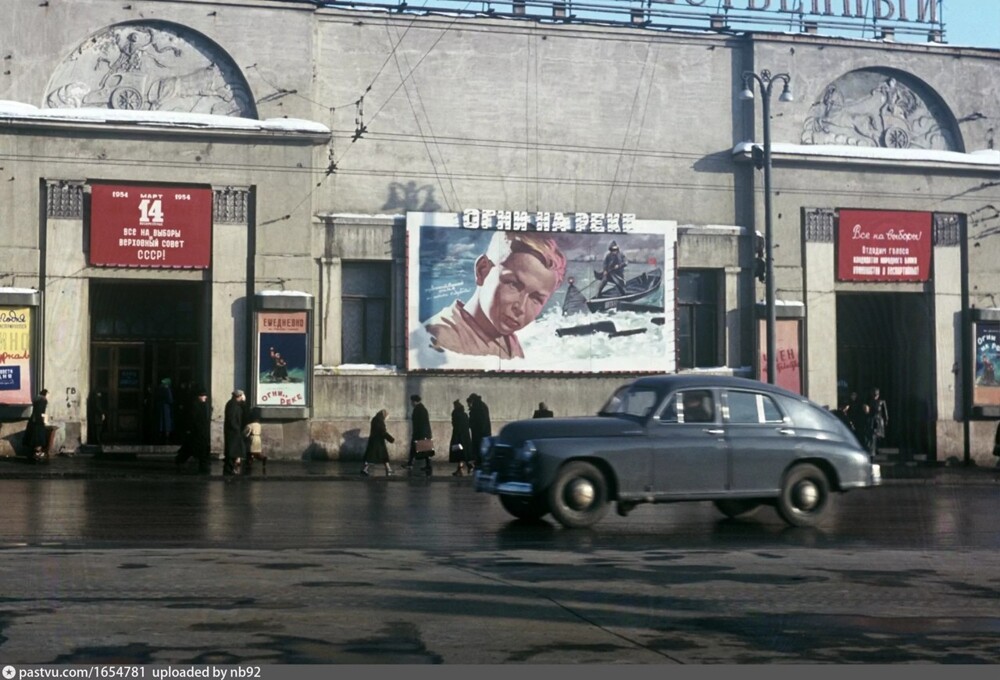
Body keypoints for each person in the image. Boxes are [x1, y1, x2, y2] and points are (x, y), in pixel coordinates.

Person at [424, 231, 567, 360]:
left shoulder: (509, 342)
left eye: (536, 298)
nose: (521, 308)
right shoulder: (439, 338)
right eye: (513, 284)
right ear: (482, 271)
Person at [176, 387, 211, 475]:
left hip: (201, 432)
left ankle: (202, 465)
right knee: (193, 448)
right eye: (203, 396)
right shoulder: (195, 406)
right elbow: (192, 419)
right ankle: (202, 466)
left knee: (197, 449)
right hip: (196, 432)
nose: (205, 397)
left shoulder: (202, 405)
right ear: (199, 396)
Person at [404, 394, 433, 476]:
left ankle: (411, 464)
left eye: (412, 402)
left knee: (423, 450)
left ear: (415, 401)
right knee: (423, 450)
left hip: (420, 433)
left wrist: (419, 434)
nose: (411, 403)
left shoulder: (419, 409)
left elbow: (420, 423)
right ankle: (413, 464)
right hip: (423, 433)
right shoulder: (421, 409)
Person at [361, 408, 395, 477]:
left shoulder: (376, 419)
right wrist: (391, 439)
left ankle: (388, 469)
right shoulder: (379, 421)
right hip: (377, 442)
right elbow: (383, 432)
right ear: (384, 415)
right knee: (372, 457)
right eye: (387, 416)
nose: (387, 418)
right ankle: (365, 469)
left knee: (383, 456)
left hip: (377, 441)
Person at [223, 389, 246, 476]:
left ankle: (231, 469)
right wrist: (236, 429)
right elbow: (231, 419)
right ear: (238, 396)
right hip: (233, 432)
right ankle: (228, 470)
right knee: (232, 452)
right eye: (242, 396)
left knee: (234, 451)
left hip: (235, 431)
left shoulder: (236, 404)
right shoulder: (232, 405)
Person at [23, 388, 50, 461]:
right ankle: (37, 454)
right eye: (48, 395)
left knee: (33, 438)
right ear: (45, 394)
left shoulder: (36, 400)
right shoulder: (43, 400)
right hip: (38, 422)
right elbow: (41, 412)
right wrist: (44, 421)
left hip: (33, 421)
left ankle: (32, 454)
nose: (48, 396)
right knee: (39, 439)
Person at [467, 393, 492, 470]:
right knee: (481, 450)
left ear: (472, 401)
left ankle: (480, 466)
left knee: (479, 450)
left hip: (479, 434)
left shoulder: (477, 407)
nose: (468, 405)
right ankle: (480, 465)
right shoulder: (482, 406)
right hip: (483, 433)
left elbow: (478, 421)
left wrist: (470, 423)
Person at [449, 399, 473, 476]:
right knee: (462, 453)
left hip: (458, 437)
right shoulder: (465, 415)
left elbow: (455, 426)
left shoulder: (455, 414)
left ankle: (465, 467)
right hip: (465, 437)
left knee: (459, 453)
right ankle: (462, 468)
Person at [866, 387, 889, 458]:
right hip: (872, 419)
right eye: (874, 394)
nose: (875, 396)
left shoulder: (881, 402)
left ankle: (876, 449)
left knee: (878, 436)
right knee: (872, 435)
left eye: (876, 394)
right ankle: (872, 450)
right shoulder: (869, 401)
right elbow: (868, 411)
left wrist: (886, 419)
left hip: (879, 419)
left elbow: (885, 411)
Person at [244, 407, 266, 473]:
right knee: (257, 452)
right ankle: (262, 458)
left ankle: (249, 463)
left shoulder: (249, 425)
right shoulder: (259, 425)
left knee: (250, 452)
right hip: (258, 438)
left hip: (252, 438)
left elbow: (245, 433)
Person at [154, 377, 174, 443]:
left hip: (160, 407)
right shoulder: (167, 389)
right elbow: (170, 400)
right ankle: (166, 438)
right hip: (166, 408)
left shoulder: (158, 389)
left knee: (160, 423)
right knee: (167, 424)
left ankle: (159, 436)